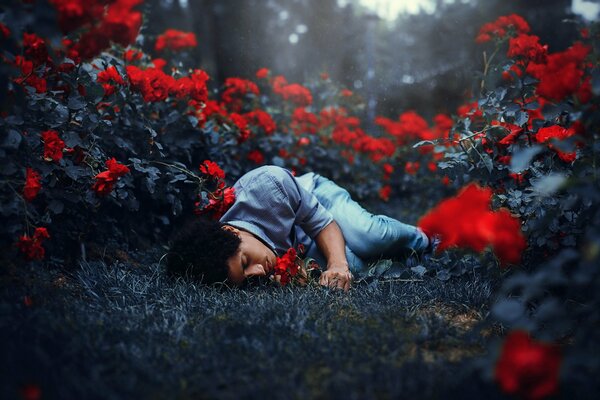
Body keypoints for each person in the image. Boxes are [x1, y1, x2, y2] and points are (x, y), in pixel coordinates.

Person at [167, 165, 432, 291]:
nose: (258, 271)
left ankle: (424, 238)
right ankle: (405, 255)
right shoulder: (231, 258)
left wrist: (337, 264)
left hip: (317, 201)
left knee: (370, 236)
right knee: (359, 267)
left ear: (231, 232)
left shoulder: (269, 185)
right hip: (301, 240)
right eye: (247, 277)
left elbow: (322, 222)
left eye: (246, 261)